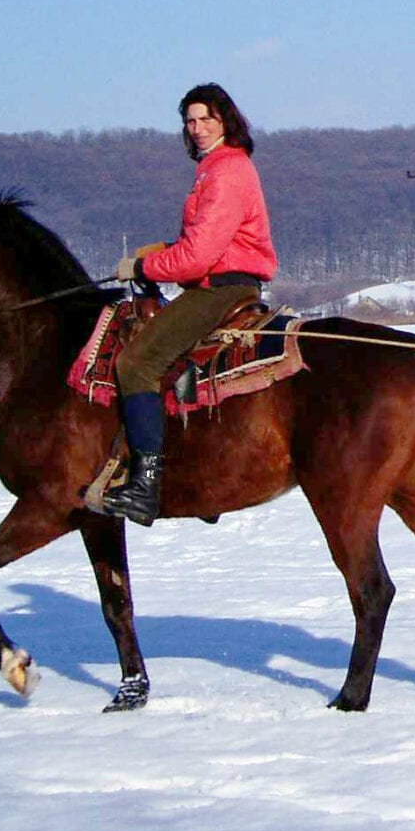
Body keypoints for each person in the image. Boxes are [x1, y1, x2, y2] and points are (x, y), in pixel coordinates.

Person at [101, 83, 279, 526]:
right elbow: (197, 243)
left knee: (136, 362)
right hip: (216, 281)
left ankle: (145, 485)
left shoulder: (228, 170)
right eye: (190, 121)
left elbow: (199, 256)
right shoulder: (213, 168)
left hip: (221, 289)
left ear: (226, 121)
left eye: (206, 120)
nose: (197, 128)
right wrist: (157, 253)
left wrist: (144, 269)